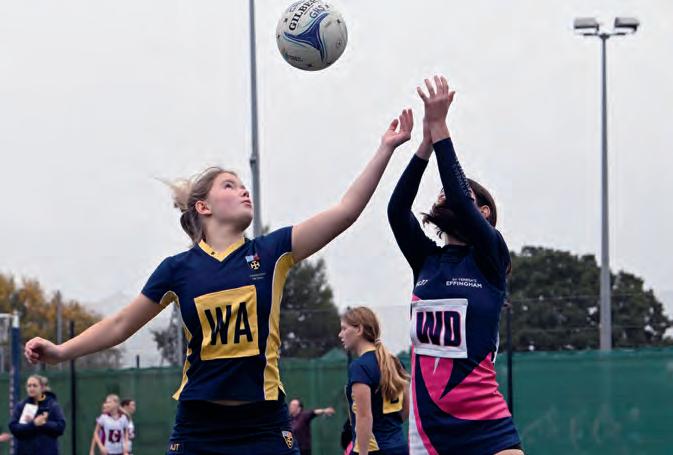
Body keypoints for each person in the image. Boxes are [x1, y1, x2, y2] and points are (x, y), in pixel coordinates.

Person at [24, 108, 415, 455]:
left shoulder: (272, 252)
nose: (243, 189)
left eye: (243, 184)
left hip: (264, 425)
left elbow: (346, 211)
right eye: (230, 184)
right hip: (199, 428)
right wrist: (61, 351)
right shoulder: (178, 270)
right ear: (203, 206)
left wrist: (385, 148)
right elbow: (120, 324)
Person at [387, 75, 523, 454]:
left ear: (484, 212)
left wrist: (440, 126)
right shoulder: (426, 261)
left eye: (455, 193)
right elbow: (397, 210)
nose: (443, 195)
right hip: (430, 432)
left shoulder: (490, 256)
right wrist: (424, 146)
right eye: (441, 194)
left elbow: (461, 199)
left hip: (487, 424)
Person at [339, 307, 409, 455]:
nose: (340, 334)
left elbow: (364, 417)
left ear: (359, 330)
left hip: (372, 450)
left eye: (344, 329)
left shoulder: (359, 367)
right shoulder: (395, 362)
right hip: (399, 447)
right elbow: (405, 410)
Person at [9, 374, 66, 455]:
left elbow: (61, 427)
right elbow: (13, 427)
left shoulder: (52, 405)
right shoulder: (21, 406)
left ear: (42, 388)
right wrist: (33, 424)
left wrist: (44, 424)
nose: (31, 388)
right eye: (29, 386)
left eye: (35, 386)